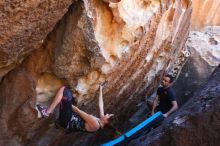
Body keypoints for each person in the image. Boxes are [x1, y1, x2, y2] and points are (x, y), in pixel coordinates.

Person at [36, 84, 114, 132]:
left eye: (108, 115)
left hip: (67, 120)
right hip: (70, 118)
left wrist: (66, 103)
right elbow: (101, 105)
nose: (107, 114)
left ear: (106, 121)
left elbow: (78, 111)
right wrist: (100, 89)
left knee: (64, 91)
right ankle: (57, 114)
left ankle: (47, 112)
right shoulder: (101, 121)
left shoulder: (95, 124)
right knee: (66, 98)